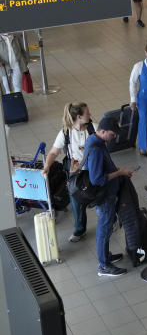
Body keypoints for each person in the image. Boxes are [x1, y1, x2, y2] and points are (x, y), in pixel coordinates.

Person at [84, 113, 136, 277]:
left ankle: (105, 256)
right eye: (112, 134)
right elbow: (97, 179)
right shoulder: (96, 149)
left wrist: (117, 171)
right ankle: (103, 266)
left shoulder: (95, 140)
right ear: (104, 131)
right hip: (105, 196)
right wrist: (119, 172)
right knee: (104, 230)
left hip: (108, 194)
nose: (114, 137)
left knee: (106, 227)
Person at [41, 102, 95, 243]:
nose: (90, 114)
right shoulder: (65, 133)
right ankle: (79, 230)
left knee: (99, 195)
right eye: (87, 113)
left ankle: (111, 218)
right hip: (74, 170)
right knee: (76, 200)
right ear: (79, 117)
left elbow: (105, 144)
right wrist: (47, 165)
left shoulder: (93, 128)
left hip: (92, 167)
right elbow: (54, 152)